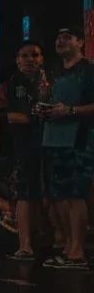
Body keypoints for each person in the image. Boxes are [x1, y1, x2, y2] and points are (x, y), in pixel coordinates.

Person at [40, 27, 94, 269]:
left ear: (80, 42)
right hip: (53, 138)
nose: (60, 41)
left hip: (78, 138)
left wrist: (70, 111)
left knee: (74, 193)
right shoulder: (54, 72)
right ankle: (68, 245)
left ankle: (78, 252)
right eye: (58, 37)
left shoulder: (89, 70)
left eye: (67, 37)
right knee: (58, 195)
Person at [0, 41, 47, 260]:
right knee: (25, 194)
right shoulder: (12, 84)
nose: (29, 60)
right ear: (17, 60)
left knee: (51, 194)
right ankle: (25, 245)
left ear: (41, 58)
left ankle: (53, 239)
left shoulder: (49, 81)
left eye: (34, 55)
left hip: (52, 144)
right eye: (24, 56)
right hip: (25, 146)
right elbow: (11, 116)